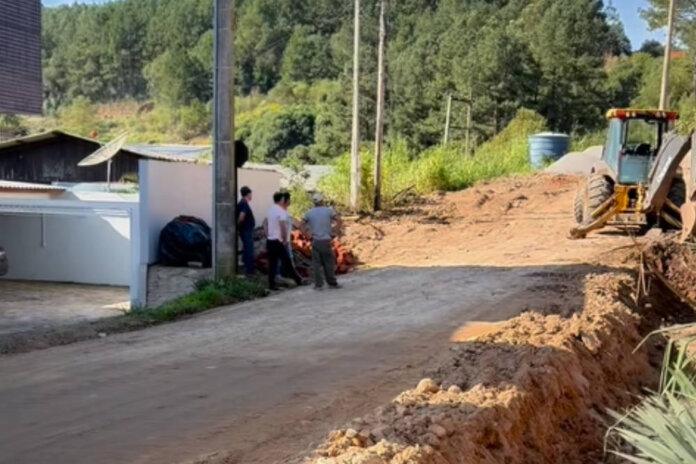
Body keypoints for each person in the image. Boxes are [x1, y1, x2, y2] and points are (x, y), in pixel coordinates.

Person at [302, 192, 342, 290]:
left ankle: (318, 285)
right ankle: (332, 283)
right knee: (328, 262)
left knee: (316, 264)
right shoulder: (329, 211)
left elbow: (300, 224)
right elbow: (339, 220)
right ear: (322, 201)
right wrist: (335, 232)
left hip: (315, 241)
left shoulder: (308, 213)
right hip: (326, 240)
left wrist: (307, 235)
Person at [266, 192, 304, 290]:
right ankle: (298, 280)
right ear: (282, 200)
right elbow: (282, 225)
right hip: (278, 240)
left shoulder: (271, 210)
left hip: (270, 240)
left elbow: (265, 223)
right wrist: (284, 239)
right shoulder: (281, 211)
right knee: (287, 262)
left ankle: (272, 284)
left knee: (273, 264)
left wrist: (268, 234)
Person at [237, 186, 255, 276]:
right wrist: (238, 226)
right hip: (246, 230)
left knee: (247, 249)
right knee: (249, 250)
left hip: (246, 229)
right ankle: (250, 271)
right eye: (251, 194)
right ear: (248, 194)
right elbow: (241, 216)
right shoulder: (244, 203)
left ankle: (247, 268)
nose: (251, 196)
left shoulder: (242, 203)